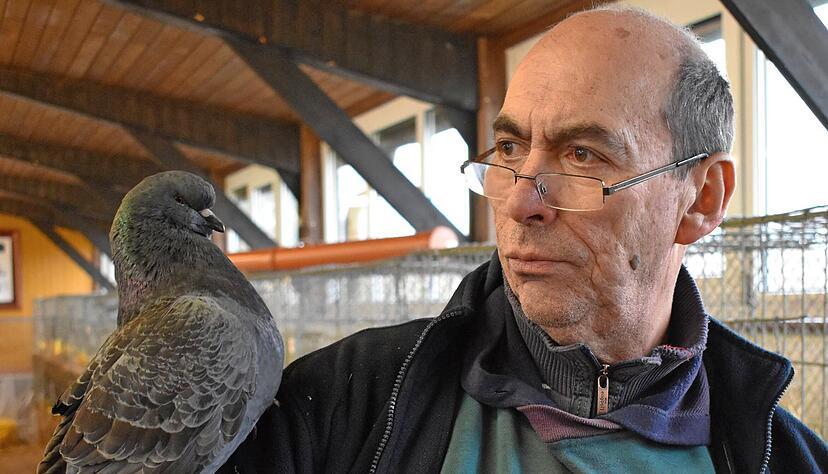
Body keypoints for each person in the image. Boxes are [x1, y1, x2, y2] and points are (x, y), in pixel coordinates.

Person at [220, 5, 828, 473]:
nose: (518, 202)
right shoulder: (343, 404)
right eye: (510, 149)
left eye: (582, 155)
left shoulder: (785, 457)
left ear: (702, 199)